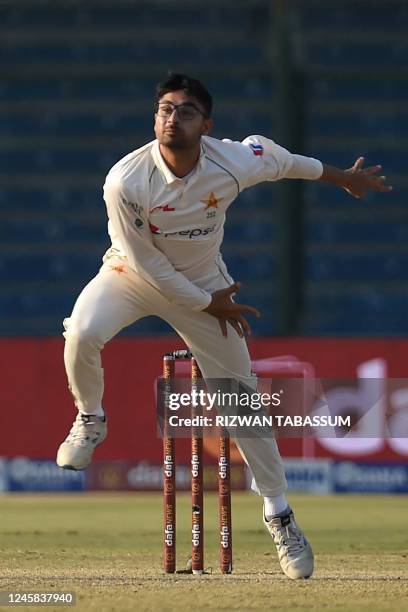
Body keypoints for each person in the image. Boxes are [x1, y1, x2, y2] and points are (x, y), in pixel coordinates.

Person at [56, 72, 392, 579]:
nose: (172, 118)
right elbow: (148, 265)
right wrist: (205, 302)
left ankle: (279, 513)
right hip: (132, 273)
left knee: (240, 397)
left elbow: (287, 163)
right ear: (155, 119)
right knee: (81, 331)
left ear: (206, 124)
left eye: (185, 110)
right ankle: (90, 418)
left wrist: (341, 177)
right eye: (165, 109)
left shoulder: (235, 159)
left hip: (207, 284)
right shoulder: (125, 179)